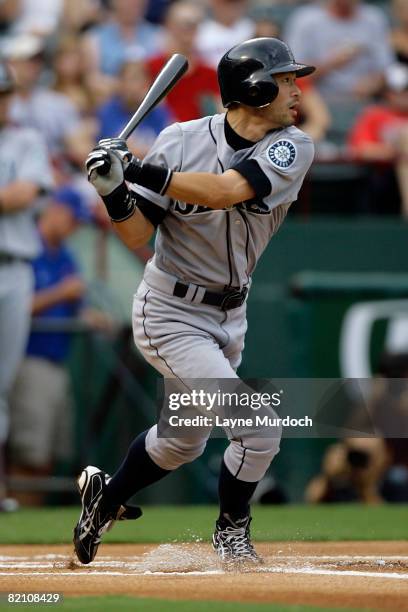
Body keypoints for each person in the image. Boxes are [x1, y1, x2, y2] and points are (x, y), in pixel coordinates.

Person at [73, 37, 315, 566]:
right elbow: (138, 237)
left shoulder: (292, 145)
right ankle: (232, 531)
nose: (296, 89)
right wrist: (114, 191)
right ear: (254, 89)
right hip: (169, 312)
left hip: (231, 314)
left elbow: (226, 190)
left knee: (181, 442)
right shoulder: (180, 140)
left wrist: (133, 170)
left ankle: (105, 499)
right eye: (286, 79)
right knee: (258, 425)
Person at [8, 187, 89, 506]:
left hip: (57, 362)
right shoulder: (24, 248)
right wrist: (60, 293)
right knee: (30, 453)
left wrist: (90, 316)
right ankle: (15, 523)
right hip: (28, 360)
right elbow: (14, 308)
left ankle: (30, 521)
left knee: (50, 456)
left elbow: (76, 303)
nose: (74, 227)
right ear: (54, 210)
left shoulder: (65, 255)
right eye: (71, 219)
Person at [0, 62, 53, 511]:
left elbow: (24, 194)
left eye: (5, 93)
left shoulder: (26, 138)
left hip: (13, 266)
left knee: (2, 381)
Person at [285, 0, 394, 103]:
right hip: (319, 101)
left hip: (366, 102)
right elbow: (292, 74)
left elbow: (388, 69)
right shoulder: (306, 19)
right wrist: (330, 64)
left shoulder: (374, 18)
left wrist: (374, 82)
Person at [348, 63, 408, 216]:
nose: (405, 95)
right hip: (383, 176)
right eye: (402, 91)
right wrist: (397, 152)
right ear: (388, 93)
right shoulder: (374, 115)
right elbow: (360, 150)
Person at [146, 0, 220, 122]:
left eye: (194, 25)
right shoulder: (152, 67)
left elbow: (219, 114)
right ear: (169, 26)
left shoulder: (209, 72)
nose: (189, 32)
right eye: (184, 25)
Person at [97, 58, 173, 158]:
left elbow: (170, 146)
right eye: (133, 79)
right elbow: (117, 152)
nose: (139, 85)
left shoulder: (157, 111)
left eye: (142, 79)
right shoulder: (109, 111)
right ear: (120, 83)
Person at [196, 0, 255, 69]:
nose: (231, 7)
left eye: (235, 3)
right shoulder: (201, 31)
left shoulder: (251, 28)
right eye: (226, 3)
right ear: (215, 4)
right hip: (210, 77)